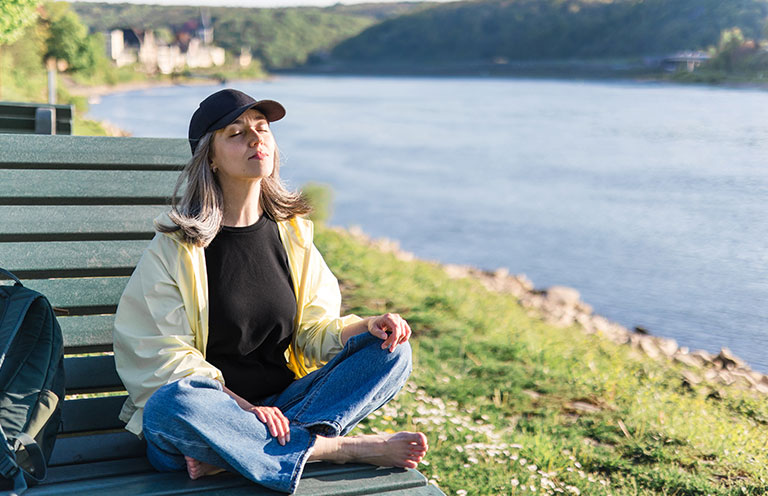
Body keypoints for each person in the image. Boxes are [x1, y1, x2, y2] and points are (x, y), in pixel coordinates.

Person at [113, 88, 428, 494]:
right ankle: (336, 449)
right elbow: (165, 358)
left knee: (392, 352)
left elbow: (314, 331)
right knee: (169, 406)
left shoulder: (292, 235)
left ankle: (232, 457)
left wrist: (369, 327)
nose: (256, 139)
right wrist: (245, 412)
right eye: (236, 132)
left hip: (286, 404)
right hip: (210, 416)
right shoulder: (176, 249)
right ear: (210, 156)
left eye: (262, 129)